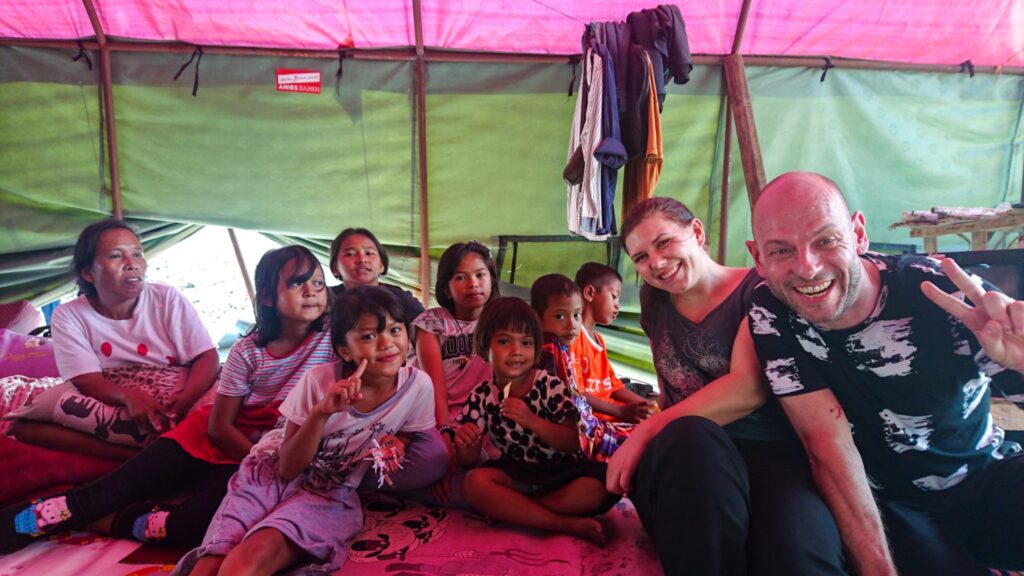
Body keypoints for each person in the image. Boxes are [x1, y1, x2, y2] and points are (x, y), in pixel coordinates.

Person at [746, 171, 1024, 576]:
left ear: (858, 233)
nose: (806, 268)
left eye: (826, 240)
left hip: (989, 476)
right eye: (781, 251)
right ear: (757, 258)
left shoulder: (940, 293)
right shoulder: (772, 312)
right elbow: (827, 446)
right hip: (896, 507)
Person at [0, 245, 335, 552]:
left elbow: (374, 314)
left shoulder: (334, 339)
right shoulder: (247, 352)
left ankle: (111, 520)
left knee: (197, 529)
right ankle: (50, 515)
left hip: (248, 455)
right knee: (103, 493)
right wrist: (262, 465)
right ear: (265, 297)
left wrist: (261, 465)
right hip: (209, 437)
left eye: (318, 284)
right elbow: (219, 426)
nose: (311, 293)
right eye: (297, 284)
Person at [610, 196, 848, 575]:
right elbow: (667, 378)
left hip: (771, 453)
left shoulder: (759, 291)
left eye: (664, 242)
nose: (655, 263)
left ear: (697, 232)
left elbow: (748, 387)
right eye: (640, 258)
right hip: (687, 460)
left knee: (798, 555)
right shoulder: (655, 301)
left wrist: (647, 429)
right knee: (691, 436)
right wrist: (657, 436)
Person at [174, 286, 446, 576]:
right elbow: (288, 468)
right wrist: (321, 413)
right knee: (210, 564)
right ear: (345, 350)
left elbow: (405, 432)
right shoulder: (318, 382)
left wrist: (398, 443)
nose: (387, 343)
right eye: (369, 336)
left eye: (395, 330)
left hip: (330, 492)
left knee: (243, 564)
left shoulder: (418, 386)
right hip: (270, 473)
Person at [10, 219, 219, 459]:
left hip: (179, 392)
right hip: (114, 397)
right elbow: (87, 380)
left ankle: (156, 451)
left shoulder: (166, 298)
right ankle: (138, 458)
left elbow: (206, 356)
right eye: (116, 256)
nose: (132, 265)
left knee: (226, 407)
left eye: (138, 254)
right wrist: (130, 397)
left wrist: (183, 402)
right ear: (89, 273)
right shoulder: (70, 315)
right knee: (27, 426)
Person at [454, 297, 619, 543]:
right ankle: (563, 523)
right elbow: (468, 461)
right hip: (517, 473)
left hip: (560, 472)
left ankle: (518, 510)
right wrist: (466, 445)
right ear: (483, 346)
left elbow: (572, 442)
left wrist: (531, 420)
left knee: (604, 485)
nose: (517, 351)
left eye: (526, 342)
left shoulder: (549, 386)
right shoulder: (482, 395)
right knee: (474, 483)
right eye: (504, 341)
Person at [413, 241, 500, 501]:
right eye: (460, 277)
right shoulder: (432, 323)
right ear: (446, 288)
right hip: (438, 417)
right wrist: (445, 432)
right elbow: (433, 385)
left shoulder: (502, 320)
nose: (473, 283)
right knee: (437, 459)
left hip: (487, 420)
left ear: (491, 280)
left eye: (480, 275)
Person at [531, 273, 631, 461]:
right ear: (537, 317)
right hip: (578, 436)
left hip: (588, 427)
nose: (572, 325)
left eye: (577, 315)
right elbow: (572, 404)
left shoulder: (562, 348)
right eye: (560, 316)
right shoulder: (548, 352)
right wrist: (620, 413)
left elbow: (613, 386)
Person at [572, 262, 652, 423]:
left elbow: (615, 387)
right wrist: (620, 411)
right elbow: (575, 393)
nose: (618, 306)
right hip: (597, 420)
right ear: (589, 293)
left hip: (613, 413)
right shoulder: (573, 337)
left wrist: (648, 405)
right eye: (614, 296)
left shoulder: (598, 340)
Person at [328, 227, 424, 326]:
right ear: (335, 267)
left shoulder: (401, 299)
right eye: (350, 254)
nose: (362, 259)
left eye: (369, 253)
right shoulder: (326, 299)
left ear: (381, 265)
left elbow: (427, 327)